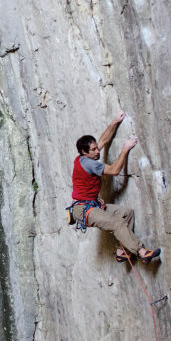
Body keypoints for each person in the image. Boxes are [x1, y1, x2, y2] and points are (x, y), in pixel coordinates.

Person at [68, 111, 161, 264]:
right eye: (93, 150)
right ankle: (141, 251)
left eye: (96, 148)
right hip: (84, 210)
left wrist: (114, 122)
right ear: (84, 152)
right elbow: (114, 170)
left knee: (127, 213)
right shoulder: (89, 164)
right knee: (117, 223)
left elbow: (103, 141)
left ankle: (122, 252)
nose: (97, 151)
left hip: (93, 205)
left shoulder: (84, 156)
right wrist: (125, 149)